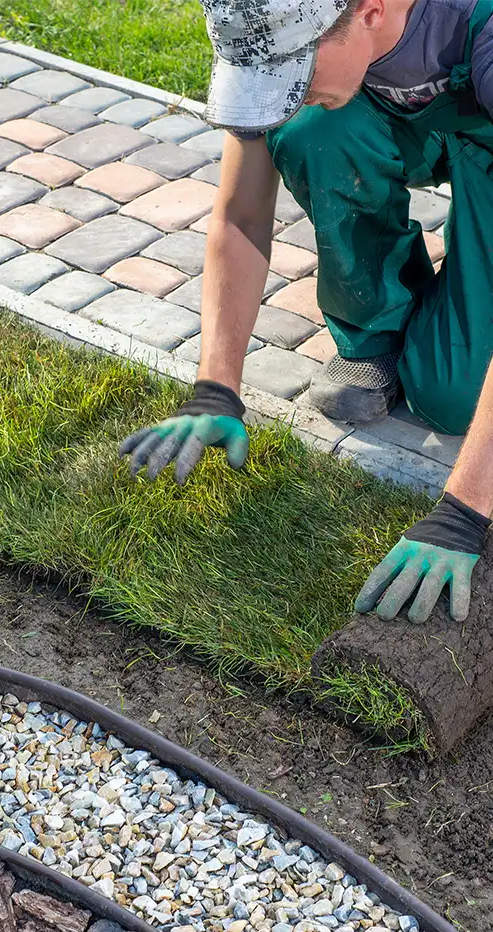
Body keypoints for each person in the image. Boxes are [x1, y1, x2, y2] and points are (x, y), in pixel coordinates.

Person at [121, 0, 493, 624]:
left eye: (295, 68)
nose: (280, 90)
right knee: (309, 128)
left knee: (457, 400)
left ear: (372, 12)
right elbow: (240, 216)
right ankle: (377, 335)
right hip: (401, 115)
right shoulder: (275, 20)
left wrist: (466, 510)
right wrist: (216, 388)